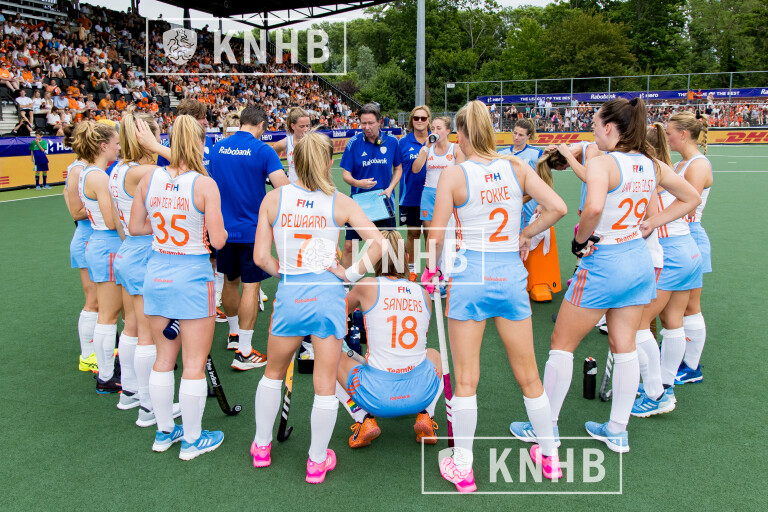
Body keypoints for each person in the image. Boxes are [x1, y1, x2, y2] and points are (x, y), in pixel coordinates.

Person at [542, 98, 700, 455]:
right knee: (624, 345)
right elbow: (690, 197)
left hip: (605, 260)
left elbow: (594, 207)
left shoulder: (604, 162)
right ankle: (616, 430)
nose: (593, 130)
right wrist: (650, 223)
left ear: (610, 127)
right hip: (637, 259)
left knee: (562, 343)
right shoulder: (650, 163)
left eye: (595, 124)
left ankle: (545, 427)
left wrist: (579, 241)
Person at [426, 101, 568, 492]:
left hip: (470, 278)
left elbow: (435, 236)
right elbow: (557, 207)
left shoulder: (454, 174)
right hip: (509, 277)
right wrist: (525, 234)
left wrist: (430, 271)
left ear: (462, 133)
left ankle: (463, 467)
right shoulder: (515, 166)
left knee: (466, 380)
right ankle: (550, 457)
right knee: (529, 376)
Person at [251, 131, 383, 483]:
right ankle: (316, 461)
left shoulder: (273, 199)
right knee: (325, 384)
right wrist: (349, 274)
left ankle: (261, 447)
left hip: (291, 294)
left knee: (272, 373)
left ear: (292, 161)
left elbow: (260, 257)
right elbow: (379, 243)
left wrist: (286, 272)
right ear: (328, 162)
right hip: (327, 297)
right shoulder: (339, 202)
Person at [129, 115, 228, 460]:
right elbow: (219, 239)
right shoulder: (204, 184)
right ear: (199, 143)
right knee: (193, 363)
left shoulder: (148, 178)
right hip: (192, 274)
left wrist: (164, 229)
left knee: (163, 358)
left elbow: (135, 227)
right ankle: (193, 439)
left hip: (157, 271)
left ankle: (164, 432)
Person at [330, 230, 443, 448]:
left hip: (377, 395)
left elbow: (336, 313)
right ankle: (426, 415)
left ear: (375, 260)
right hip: (420, 392)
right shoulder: (423, 293)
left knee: (331, 359)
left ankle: (363, 419)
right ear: (407, 259)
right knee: (434, 354)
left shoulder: (367, 285)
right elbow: (422, 338)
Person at [632, 113, 710, 417]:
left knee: (639, 324)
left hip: (670, 254)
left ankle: (656, 392)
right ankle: (666, 384)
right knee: (673, 320)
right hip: (687, 249)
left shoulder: (654, 176)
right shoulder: (672, 171)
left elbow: (648, 219)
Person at [110, 112, 182, 427]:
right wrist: (156, 146)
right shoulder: (146, 171)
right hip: (143, 254)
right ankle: (148, 406)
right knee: (147, 334)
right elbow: (187, 164)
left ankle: (130, 392)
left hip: (128, 250)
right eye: (157, 135)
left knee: (132, 326)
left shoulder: (118, 169)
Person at [210, 106, 289, 370]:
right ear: (261, 125)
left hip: (224, 229)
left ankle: (233, 334)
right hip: (252, 230)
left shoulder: (218, 148)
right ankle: (244, 351)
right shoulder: (263, 150)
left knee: (229, 281)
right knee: (251, 287)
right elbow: (283, 188)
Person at [75, 122, 124, 394]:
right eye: (115, 144)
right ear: (103, 146)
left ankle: (108, 372)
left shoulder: (89, 172)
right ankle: (106, 376)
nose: (119, 147)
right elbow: (111, 220)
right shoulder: (98, 177)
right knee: (108, 315)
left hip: (101, 244)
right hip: (107, 244)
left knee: (108, 314)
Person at [340, 103, 403, 267]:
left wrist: (390, 188)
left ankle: (388, 278)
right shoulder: (353, 143)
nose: (367, 127)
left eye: (371, 123)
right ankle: (344, 280)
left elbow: (398, 169)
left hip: (384, 202)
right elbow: (346, 175)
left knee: (388, 246)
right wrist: (357, 183)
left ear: (379, 122)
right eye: (363, 123)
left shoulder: (392, 142)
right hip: (359, 205)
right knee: (350, 246)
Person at [676, 114, 712, 385]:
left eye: (669, 133)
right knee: (677, 307)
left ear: (683, 134)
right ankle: (680, 354)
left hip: (690, 236)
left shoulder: (698, 164)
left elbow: (688, 205)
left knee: (690, 306)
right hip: (677, 237)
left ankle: (692, 367)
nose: (666, 137)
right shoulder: (680, 163)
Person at [62, 123, 98, 373]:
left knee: (102, 300)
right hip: (86, 239)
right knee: (92, 300)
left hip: (94, 239)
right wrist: (108, 204)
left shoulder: (88, 167)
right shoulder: (78, 170)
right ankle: (87, 355)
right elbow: (76, 212)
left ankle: (98, 348)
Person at [397, 106, 431, 280]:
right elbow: (396, 169)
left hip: (433, 197)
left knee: (431, 235)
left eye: (423, 118)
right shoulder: (403, 142)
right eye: (416, 118)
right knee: (413, 234)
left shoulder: (436, 139)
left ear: (428, 120)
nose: (419, 121)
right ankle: (411, 269)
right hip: (411, 196)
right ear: (411, 120)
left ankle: (431, 270)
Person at [499, 119, 542, 225]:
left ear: (528, 136)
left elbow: (545, 181)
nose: (516, 137)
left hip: (530, 207)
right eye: (515, 133)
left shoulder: (536, 154)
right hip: (507, 207)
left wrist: (542, 204)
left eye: (521, 135)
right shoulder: (501, 154)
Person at [270, 107, 311, 183]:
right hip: (292, 187)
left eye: (308, 126)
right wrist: (275, 173)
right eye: (302, 126)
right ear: (293, 126)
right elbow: (267, 154)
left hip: (311, 188)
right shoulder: (286, 142)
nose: (306, 129)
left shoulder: (315, 142)